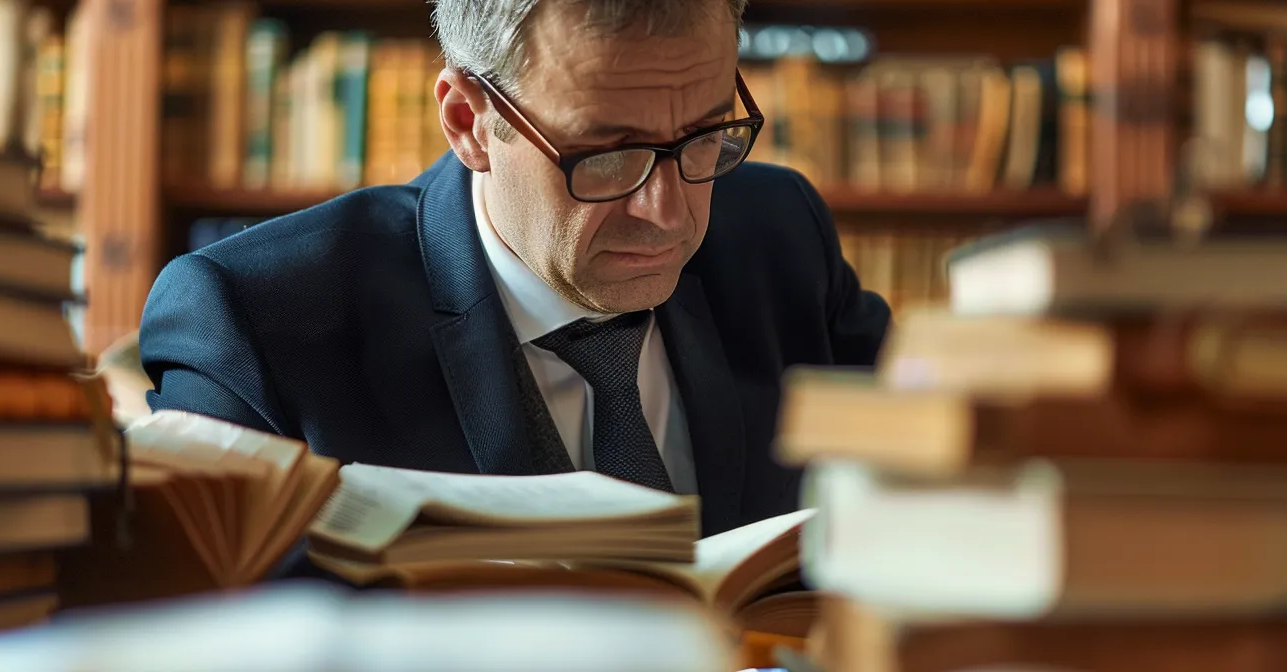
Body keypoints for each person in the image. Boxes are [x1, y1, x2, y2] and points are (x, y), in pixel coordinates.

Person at [138, 0, 892, 537]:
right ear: (470, 121)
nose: (670, 211)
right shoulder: (255, 322)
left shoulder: (778, 234)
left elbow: (925, 489)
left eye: (706, 137)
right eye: (609, 154)